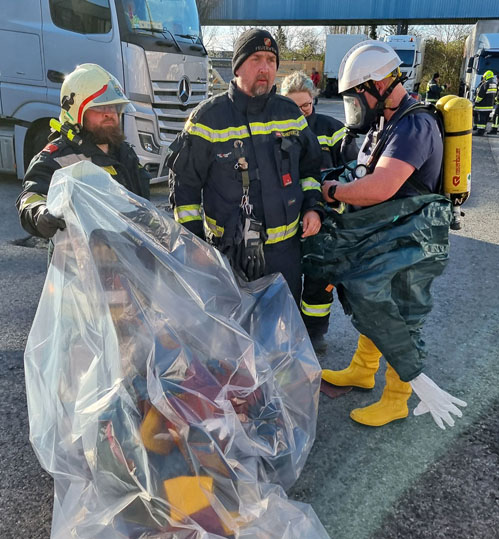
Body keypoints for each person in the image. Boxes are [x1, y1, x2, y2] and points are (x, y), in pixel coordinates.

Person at [320, 41, 462, 428]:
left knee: (402, 313)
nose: (355, 106)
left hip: (411, 240)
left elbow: (380, 186)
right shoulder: (386, 120)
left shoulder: (414, 124)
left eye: (356, 97)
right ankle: (364, 370)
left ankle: (397, 398)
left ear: (378, 84)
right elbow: (362, 167)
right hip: (388, 233)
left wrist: (331, 192)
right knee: (374, 303)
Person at [167, 28, 324, 304]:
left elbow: (310, 168)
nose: (265, 68)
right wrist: (194, 246)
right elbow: (184, 190)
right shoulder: (207, 119)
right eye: (256, 59)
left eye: (271, 61)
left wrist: (312, 206)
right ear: (237, 67)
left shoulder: (290, 114)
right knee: (231, 340)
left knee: (282, 338)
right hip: (227, 257)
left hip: (284, 257)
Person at [17, 63, 150, 240]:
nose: (110, 114)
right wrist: (40, 212)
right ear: (75, 111)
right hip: (78, 262)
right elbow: (31, 196)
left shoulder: (124, 153)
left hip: (126, 258)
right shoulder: (57, 157)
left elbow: (142, 208)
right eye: (101, 107)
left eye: (114, 107)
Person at [281, 70, 357, 352]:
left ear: (314, 100)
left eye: (306, 105)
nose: (301, 113)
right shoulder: (274, 128)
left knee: (318, 283)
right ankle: (285, 334)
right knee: (287, 281)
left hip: (325, 222)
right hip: (286, 220)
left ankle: (314, 335)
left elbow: (353, 173)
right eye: (292, 107)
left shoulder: (333, 130)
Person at [474, 70, 497, 136]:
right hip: (490, 106)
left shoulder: (486, 84)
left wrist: (476, 101)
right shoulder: (495, 84)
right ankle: (482, 131)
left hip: (482, 106)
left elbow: (480, 95)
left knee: (481, 120)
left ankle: (480, 132)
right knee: (485, 120)